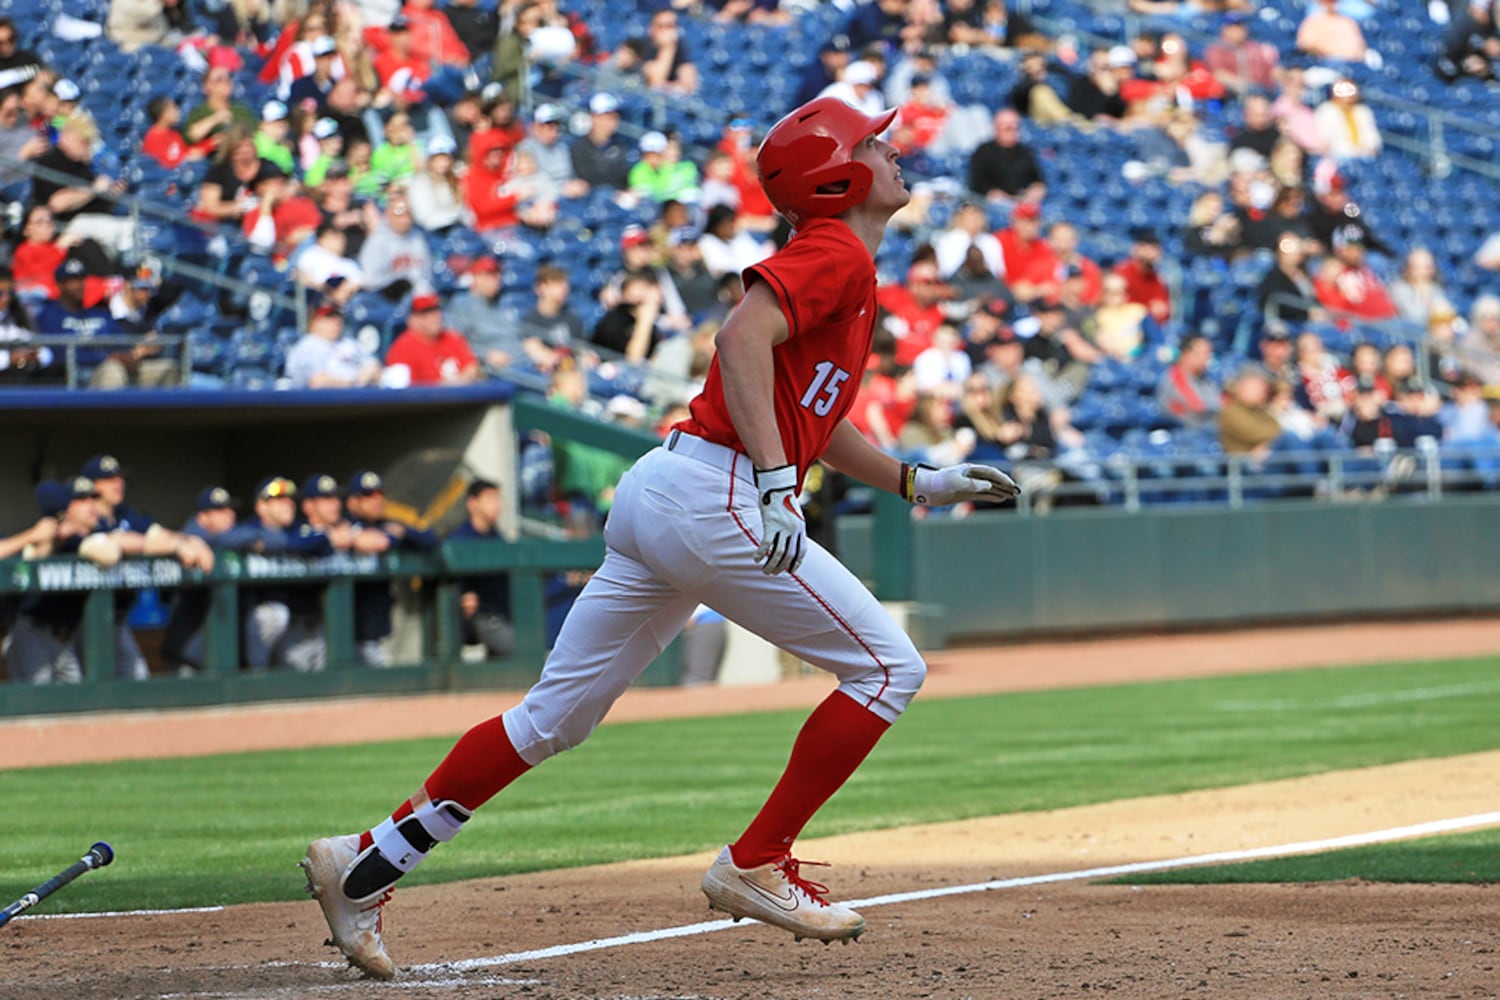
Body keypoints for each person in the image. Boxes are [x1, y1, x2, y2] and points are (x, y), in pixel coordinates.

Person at [300, 95, 1020, 980]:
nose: (893, 147)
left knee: (551, 719)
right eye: (873, 140)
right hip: (714, 491)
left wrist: (916, 479)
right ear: (836, 173)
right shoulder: (835, 248)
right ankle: (757, 861)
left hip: (668, 488)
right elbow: (741, 334)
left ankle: (366, 861)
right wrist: (770, 482)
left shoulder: (839, 259)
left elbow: (814, 418)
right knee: (887, 669)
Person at [343, 469, 441, 667]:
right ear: (352, 502)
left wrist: (403, 531)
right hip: (342, 633)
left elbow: (431, 539)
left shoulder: (389, 526)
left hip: (376, 632)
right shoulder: (342, 527)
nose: (377, 500)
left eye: (380, 494)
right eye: (368, 495)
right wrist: (357, 538)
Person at [447, 478, 514, 658]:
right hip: (479, 620)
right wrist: (463, 593)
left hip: (504, 615)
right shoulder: (460, 539)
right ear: (472, 503)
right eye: (490, 498)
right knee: (520, 648)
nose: (497, 505)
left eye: (498, 499)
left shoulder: (498, 537)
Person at [384, 292, 481, 385]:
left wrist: (454, 385)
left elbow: (472, 369)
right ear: (413, 319)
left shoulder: (452, 337)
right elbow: (407, 388)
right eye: (426, 313)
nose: (435, 317)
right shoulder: (402, 347)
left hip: (463, 398)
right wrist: (443, 387)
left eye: (436, 311)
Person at [358, 186, 433, 301]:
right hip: (389, 300)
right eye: (399, 213)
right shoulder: (377, 241)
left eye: (407, 213)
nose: (405, 219)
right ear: (388, 214)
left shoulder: (418, 238)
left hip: (419, 299)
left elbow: (427, 274)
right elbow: (371, 281)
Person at [285, 300, 382, 388]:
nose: (337, 321)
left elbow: (375, 367)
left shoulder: (349, 343)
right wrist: (356, 382)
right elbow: (317, 382)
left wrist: (367, 377)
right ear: (314, 322)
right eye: (329, 317)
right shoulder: (308, 346)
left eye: (338, 316)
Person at [968, 108, 1045, 205]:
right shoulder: (983, 152)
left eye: (1016, 128)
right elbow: (978, 184)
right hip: (995, 203)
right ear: (996, 129)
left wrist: (1036, 189)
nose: (1013, 132)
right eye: (1007, 129)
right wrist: (996, 194)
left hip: (1024, 200)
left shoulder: (1024, 151)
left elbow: (1037, 179)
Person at [1156, 333, 1220, 428]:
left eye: (1208, 354)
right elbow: (1198, 406)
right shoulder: (1176, 376)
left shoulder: (1204, 377)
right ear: (1186, 354)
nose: (1206, 359)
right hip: (1186, 433)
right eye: (1201, 354)